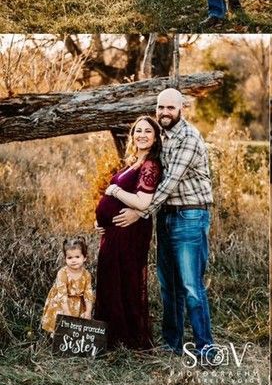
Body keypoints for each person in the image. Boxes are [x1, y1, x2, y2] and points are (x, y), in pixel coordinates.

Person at [111, 88, 214, 361]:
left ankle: (205, 348)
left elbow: (168, 184)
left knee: (191, 286)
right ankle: (172, 343)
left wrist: (140, 213)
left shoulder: (189, 138)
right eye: (160, 107)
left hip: (191, 216)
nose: (164, 112)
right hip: (167, 216)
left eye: (170, 107)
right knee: (168, 285)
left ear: (181, 109)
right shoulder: (161, 137)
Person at [94, 116, 163, 350]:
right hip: (116, 231)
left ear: (155, 139)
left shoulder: (150, 165)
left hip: (131, 232)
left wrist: (114, 191)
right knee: (111, 280)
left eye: (148, 132)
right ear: (132, 135)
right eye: (138, 131)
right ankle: (112, 337)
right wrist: (102, 221)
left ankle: (129, 338)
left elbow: (143, 202)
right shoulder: (133, 161)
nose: (142, 135)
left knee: (126, 281)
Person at [41, 237, 94, 334]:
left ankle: (73, 340)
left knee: (78, 325)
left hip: (78, 304)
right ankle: (56, 338)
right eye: (70, 257)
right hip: (62, 303)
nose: (74, 260)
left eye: (77, 257)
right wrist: (67, 312)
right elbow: (62, 294)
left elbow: (88, 293)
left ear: (84, 258)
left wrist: (88, 311)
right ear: (65, 259)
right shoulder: (63, 273)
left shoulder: (86, 275)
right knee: (60, 323)